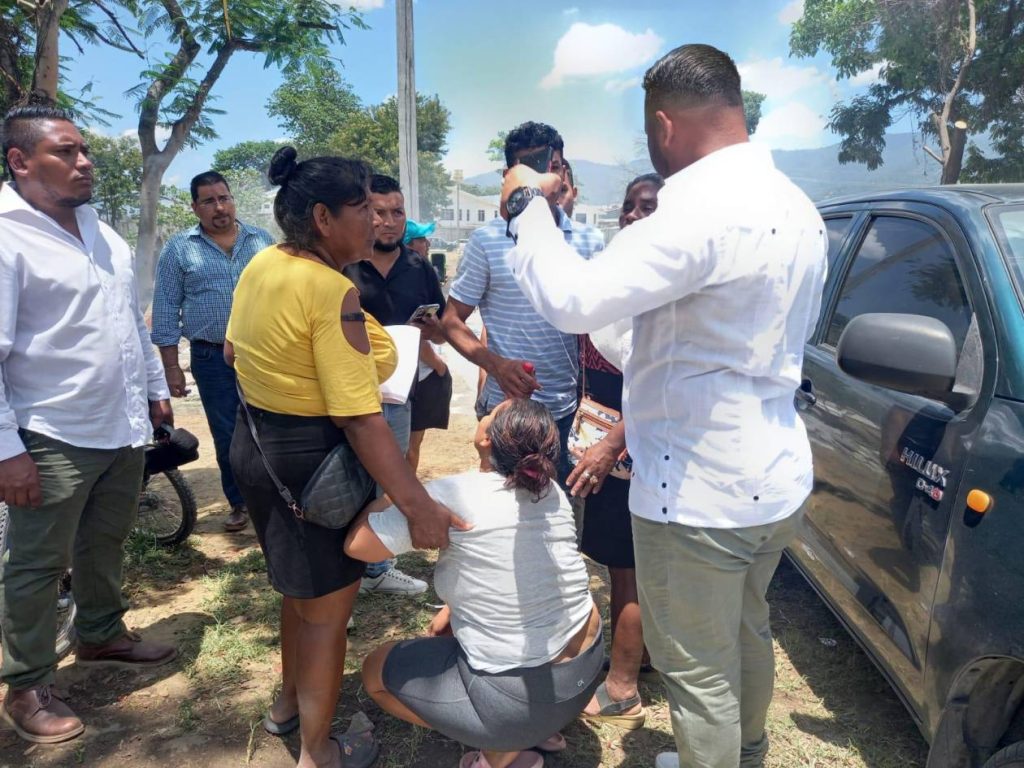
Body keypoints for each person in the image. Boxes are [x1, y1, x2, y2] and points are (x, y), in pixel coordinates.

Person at [499, 44, 828, 768]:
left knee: (699, 672)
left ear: (664, 125)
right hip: (771, 474)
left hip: (701, 490)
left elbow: (573, 299)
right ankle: (746, 754)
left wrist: (527, 208)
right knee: (746, 632)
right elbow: (675, 341)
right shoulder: (796, 206)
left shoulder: (697, 209)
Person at [227, 146, 465, 768]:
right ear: (325, 218)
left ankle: (287, 707)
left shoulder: (262, 264)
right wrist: (418, 507)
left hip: (259, 450)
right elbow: (361, 419)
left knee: (298, 595)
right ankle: (318, 750)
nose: (378, 222)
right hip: (314, 468)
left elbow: (231, 352)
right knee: (328, 616)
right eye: (363, 207)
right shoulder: (333, 291)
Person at [0, 105, 177, 744]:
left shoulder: (104, 233)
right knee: (36, 563)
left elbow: (130, 321)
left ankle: (100, 634)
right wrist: (5, 452)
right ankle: (26, 685)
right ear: (21, 162)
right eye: (66, 152)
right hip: (49, 431)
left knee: (104, 540)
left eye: (84, 151)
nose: (84, 162)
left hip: (118, 424)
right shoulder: (5, 237)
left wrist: (155, 391)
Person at [346, 398, 603, 768]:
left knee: (375, 672)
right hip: (584, 672)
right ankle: (536, 728)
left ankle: (501, 748)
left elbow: (357, 546)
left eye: (492, 412)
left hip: (513, 703)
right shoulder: (552, 494)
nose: (485, 412)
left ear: (487, 439)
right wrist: (454, 608)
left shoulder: (455, 494)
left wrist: (397, 492)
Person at [441, 121, 604, 485]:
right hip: (506, 411)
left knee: (561, 512)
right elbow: (451, 321)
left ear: (564, 172)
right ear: (508, 177)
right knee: (505, 509)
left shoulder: (589, 241)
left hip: (569, 412)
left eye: (555, 166)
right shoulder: (486, 242)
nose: (546, 176)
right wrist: (496, 366)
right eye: (531, 168)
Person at [568, 172, 664, 731]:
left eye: (646, 207)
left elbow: (656, 385)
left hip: (631, 448)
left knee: (627, 571)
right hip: (615, 440)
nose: (631, 216)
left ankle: (623, 685)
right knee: (624, 564)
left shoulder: (660, 296)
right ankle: (641, 654)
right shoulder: (627, 281)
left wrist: (609, 444)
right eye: (628, 206)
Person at [151, 170, 274, 533]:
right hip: (211, 357)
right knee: (228, 433)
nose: (219, 207)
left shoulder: (261, 241)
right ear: (195, 207)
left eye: (224, 197)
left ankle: (276, 499)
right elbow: (164, 309)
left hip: (263, 354)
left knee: (271, 426)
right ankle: (240, 503)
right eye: (209, 200)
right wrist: (171, 367)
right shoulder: (179, 248)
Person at [342, 174, 446, 596]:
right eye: (378, 212)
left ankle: (377, 568)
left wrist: (434, 330)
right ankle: (344, 573)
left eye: (397, 212)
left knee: (393, 471)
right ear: (364, 214)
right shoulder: (344, 263)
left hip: (401, 393)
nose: (388, 221)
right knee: (348, 475)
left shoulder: (419, 266)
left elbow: (438, 332)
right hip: (349, 392)